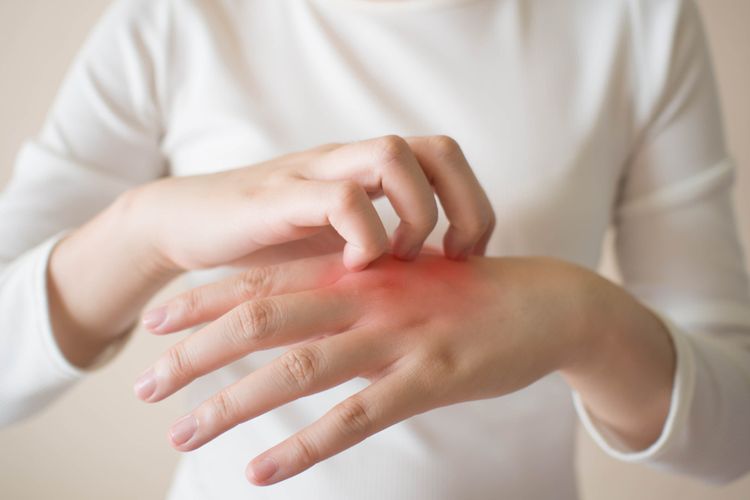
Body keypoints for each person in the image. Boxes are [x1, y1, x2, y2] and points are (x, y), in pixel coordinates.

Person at [1, 0, 748, 498]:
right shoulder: (175, 19)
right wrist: (146, 231)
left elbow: (734, 429)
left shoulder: (636, 19)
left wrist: (579, 316)